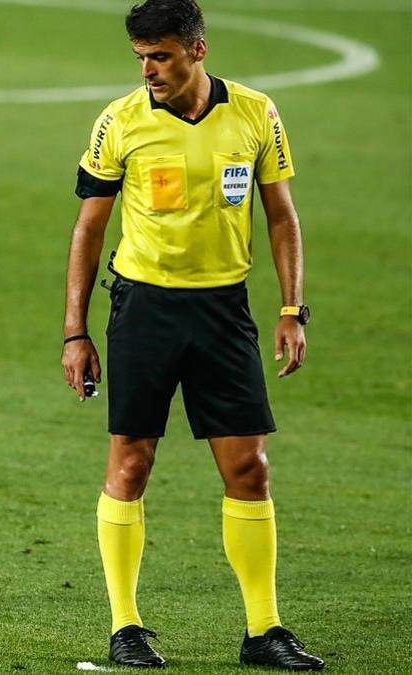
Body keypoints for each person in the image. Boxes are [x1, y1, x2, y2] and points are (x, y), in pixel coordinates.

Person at [61, 0, 324, 670]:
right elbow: (89, 228)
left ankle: (264, 629)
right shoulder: (119, 122)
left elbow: (282, 216)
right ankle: (126, 627)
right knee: (131, 462)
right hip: (143, 307)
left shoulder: (255, 113)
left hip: (222, 311)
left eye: (162, 56)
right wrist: (75, 331)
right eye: (141, 57)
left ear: (198, 51)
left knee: (248, 467)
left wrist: (293, 307)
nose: (149, 70)